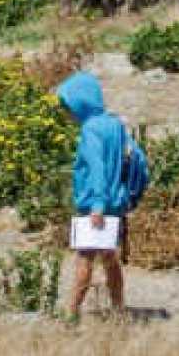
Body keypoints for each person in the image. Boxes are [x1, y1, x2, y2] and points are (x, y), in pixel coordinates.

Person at [56, 69, 130, 322]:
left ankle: (71, 314)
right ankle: (119, 309)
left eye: (68, 106)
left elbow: (97, 167)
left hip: (94, 206)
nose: (67, 113)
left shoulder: (90, 130)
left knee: (84, 261)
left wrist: (97, 204)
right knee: (110, 259)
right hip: (116, 203)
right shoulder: (115, 123)